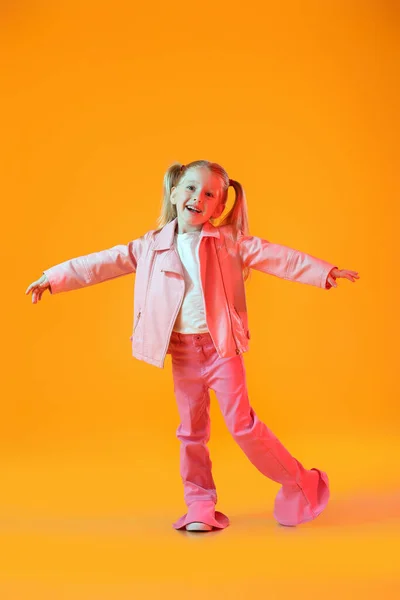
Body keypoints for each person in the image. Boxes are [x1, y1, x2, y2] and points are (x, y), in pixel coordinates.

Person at [25, 159, 360, 533]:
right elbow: (102, 262)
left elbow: (279, 257)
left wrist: (325, 272)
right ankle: (199, 504)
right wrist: (52, 278)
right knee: (190, 433)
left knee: (243, 426)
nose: (197, 197)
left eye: (209, 194)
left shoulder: (230, 243)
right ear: (173, 192)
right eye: (190, 188)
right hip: (183, 353)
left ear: (219, 207)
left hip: (221, 351)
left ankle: (302, 483)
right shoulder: (149, 246)